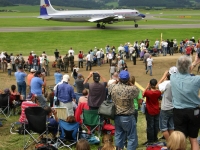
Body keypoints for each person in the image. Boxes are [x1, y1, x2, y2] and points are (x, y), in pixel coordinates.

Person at [170, 55, 200, 150]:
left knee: (179, 138)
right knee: (193, 139)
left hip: (179, 111)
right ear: (190, 67)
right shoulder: (196, 79)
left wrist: (193, 64)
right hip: (194, 112)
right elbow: (187, 71)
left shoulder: (173, 77)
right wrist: (194, 63)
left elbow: (182, 71)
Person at [108, 70, 139, 150]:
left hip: (117, 116)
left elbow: (109, 85)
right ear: (128, 79)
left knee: (118, 136)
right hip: (128, 116)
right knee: (132, 137)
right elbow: (136, 90)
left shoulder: (113, 88)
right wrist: (130, 83)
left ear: (119, 78)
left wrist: (116, 80)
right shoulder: (130, 89)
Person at [157, 67, 177, 141]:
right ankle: (173, 142)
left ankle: (170, 143)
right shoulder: (178, 82)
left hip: (165, 108)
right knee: (171, 127)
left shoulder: (167, 83)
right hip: (174, 107)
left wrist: (163, 76)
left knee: (163, 128)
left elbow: (157, 86)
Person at [143, 79, 161, 145]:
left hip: (149, 110)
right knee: (156, 125)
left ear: (150, 84)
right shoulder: (158, 92)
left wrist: (147, 87)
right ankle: (155, 138)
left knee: (150, 126)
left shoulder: (148, 92)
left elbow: (143, 94)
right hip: (156, 110)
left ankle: (150, 140)